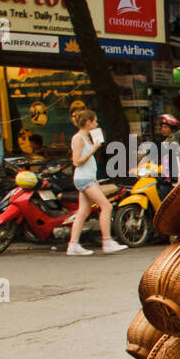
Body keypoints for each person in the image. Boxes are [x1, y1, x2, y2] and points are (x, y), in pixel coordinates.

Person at [66, 109, 125, 256]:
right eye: (95, 121)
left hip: (87, 178)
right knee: (106, 206)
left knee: (84, 211)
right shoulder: (78, 138)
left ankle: (73, 244)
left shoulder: (85, 137)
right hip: (84, 178)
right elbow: (76, 161)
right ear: (88, 122)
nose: (97, 124)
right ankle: (107, 241)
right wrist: (93, 149)